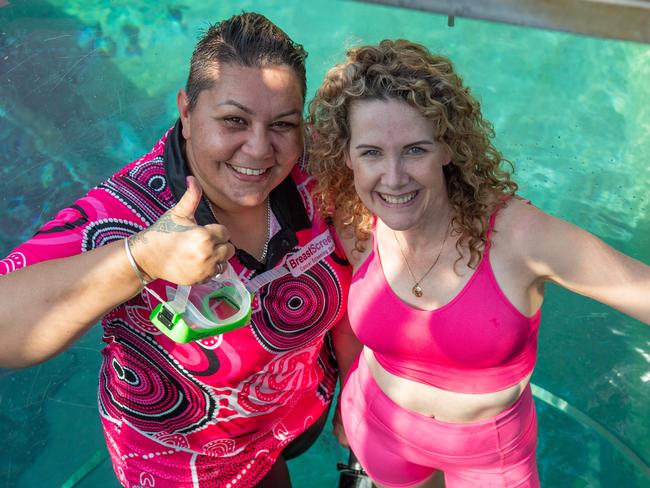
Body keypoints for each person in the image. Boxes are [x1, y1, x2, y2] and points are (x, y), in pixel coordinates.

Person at [0, 12, 351, 488]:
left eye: (282, 125)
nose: (259, 149)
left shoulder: (313, 174)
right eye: (233, 120)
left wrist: (356, 385)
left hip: (302, 409)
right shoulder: (126, 213)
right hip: (187, 460)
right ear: (186, 112)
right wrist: (140, 259)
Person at [307, 39, 650, 488]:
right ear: (347, 155)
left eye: (415, 149)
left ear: (448, 148)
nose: (393, 178)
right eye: (371, 152)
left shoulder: (518, 235)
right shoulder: (357, 220)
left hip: (491, 457)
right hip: (376, 429)